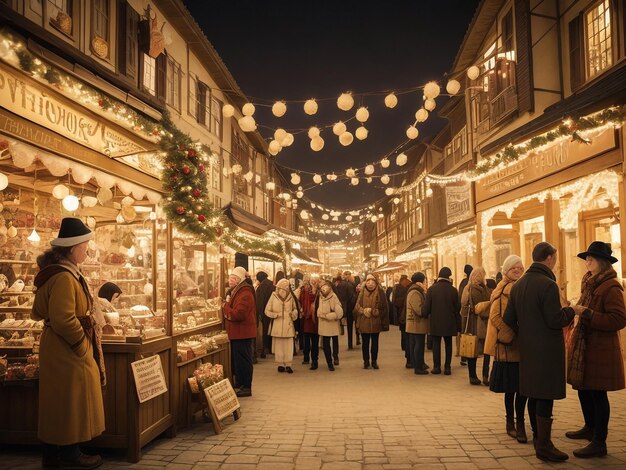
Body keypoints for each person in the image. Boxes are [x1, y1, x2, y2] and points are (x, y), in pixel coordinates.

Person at [31, 217, 105, 469]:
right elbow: (63, 319)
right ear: (73, 248)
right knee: (69, 401)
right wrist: (80, 345)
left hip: (59, 347)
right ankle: (70, 453)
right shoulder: (64, 277)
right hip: (66, 348)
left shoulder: (59, 272)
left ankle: (55, 454)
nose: (87, 250)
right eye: (85, 246)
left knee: (61, 400)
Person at [503, 242, 581, 462]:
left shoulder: (518, 285)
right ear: (548, 258)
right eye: (555, 258)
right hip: (547, 350)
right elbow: (555, 320)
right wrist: (571, 311)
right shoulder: (547, 284)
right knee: (545, 394)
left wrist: (525, 332)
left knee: (533, 394)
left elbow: (508, 318)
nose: (555, 263)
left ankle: (540, 440)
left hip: (528, 349)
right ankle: (544, 445)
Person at [565, 241, 626, 458]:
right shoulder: (590, 282)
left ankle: (599, 441)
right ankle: (589, 427)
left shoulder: (611, 286)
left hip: (601, 349)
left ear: (602, 262)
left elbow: (619, 319)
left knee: (598, 395)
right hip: (587, 347)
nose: (587, 261)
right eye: (586, 258)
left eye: (590, 258)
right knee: (584, 390)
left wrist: (588, 314)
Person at [484, 255, 528, 443]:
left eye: (520, 267)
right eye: (513, 268)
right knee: (512, 388)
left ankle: (520, 423)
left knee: (523, 389)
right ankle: (512, 423)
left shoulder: (524, 287)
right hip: (509, 347)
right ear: (506, 271)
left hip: (524, 346)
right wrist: (509, 333)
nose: (517, 270)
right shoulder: (501, 290)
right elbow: (494, 317)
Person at [223, 266, 257, 398]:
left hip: (242, 332)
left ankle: (246, 387)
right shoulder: (239, 291)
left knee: (244, 360)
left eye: (232, 278)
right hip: (239, 333)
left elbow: (239, 314)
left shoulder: (245, 293)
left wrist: (225, 306)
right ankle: (241, 383)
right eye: (230, 278)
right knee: (239, 360)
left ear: (238, 280)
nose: (230, 281)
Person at [423, 267, 460, 375]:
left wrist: (424, 313)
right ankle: (447, 368)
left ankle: (436, 367)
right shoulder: (453, 290)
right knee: (448, 344)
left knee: (436, 344)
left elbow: (427, 307)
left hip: (436, 321)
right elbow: (458, 307)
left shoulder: (431, 289)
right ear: (449, 276)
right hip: (449, 321)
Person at [461, 267, 492, 386]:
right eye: (483, 275)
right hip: (477, 323)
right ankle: (475, 376)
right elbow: (479, 308)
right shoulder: (475, 289)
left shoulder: (479, 287)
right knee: (475, 349)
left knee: (483, 350)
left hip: (479, 323)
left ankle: (483, 376)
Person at [355, 273, 389, 369]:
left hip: (375, 321)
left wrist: (373, 311)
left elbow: (384, 308)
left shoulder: (380, 292)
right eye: (368, 281)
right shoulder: (361, 292)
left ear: (376, 283)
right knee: (365, 343)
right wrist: (363, 311)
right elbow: (357, 306)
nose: (370, 284)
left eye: (372, 282)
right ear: (365, 283)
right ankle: (366, 361)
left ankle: (374, 361)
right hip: (364, 321)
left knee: (375, 343)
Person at [265, 278, 298, 374]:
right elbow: (267, 311)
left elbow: (295, 308)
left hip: (288, 325)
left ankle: (288, 364)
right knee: (279, 345)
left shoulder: (290, 297)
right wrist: (275, 315)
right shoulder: (273, 296)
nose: (287, 289)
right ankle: (280, 364)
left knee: (288, 346)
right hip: (278, 325)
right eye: (285, 287)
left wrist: (293, 314)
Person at [316, 279, 343, 371]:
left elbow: (339, 311)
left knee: (335, 340)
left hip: (333, 323)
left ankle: (335, 356)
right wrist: (321, 314)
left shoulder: (334, 296)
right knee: (326, 343)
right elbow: (317, 309)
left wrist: (330, 315)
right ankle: (329, 362)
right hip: (323, 323)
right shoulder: (319, 297)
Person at [405, 272, 429, 375]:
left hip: (417, 323)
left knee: (418, 344)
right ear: (420, 281)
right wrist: (426, 309)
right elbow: (418, 309)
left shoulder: (417, 290)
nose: (425, 282)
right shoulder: (414, 292)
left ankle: (420, 364)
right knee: (418, 345)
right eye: (424, 280)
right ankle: (418, 367)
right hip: (416, 323)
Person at [299, 276, 320, 369]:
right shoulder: (305, 290)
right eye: (312, 281)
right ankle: (306, 357)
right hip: (307, 318)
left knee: (315, 341)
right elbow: (301, 301)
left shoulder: (320, 291)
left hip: (316, 319)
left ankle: (314, 360)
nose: (313, 283)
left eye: (315, 281)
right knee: (307, 339)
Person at [255, 271, 274, 358]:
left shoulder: (260, 288)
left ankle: (265, 348)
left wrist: (260, 314)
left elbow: (259, 303)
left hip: (264, 313)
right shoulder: (273, 286)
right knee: (273, 329)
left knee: (265, 330)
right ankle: (271, 347)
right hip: (274, 311)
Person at [457, 264, 473, 365]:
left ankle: (463, 355)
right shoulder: (470, 283)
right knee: (468, 333)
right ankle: (466, 354)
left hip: (462, 311)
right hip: (468, 311)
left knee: (463, 333)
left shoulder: (462, 282)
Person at [395, 274, 412, 367]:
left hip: (401, 314)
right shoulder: (410, 287)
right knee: (409, 336)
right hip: (406, 314)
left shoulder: (398, 287)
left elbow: (395, 302)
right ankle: (409, 357)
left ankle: (405, 349)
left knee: (404, 334)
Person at [353, 275, 362, 345]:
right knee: (360, 324)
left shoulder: (354, 287)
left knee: (357, 324)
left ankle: (358, 337)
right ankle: (359, 337)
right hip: (360, 309)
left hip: (356, 310)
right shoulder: (361, 287)